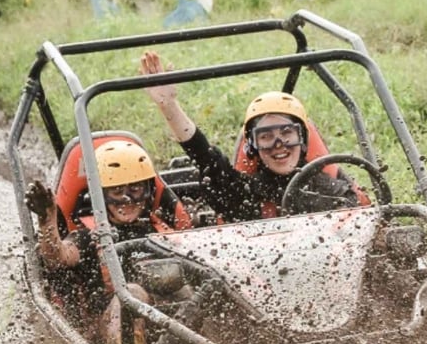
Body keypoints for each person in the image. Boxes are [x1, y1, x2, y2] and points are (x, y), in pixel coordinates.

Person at [139, 50, 365, 221]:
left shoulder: (334, 192)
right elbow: (206, 159)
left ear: (303, 140)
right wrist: (169, 107)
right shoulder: (244, 194)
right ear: (252, 147)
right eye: (266, 137)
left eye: (287, 133)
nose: (279, 145)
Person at [24, 137, 191, 344]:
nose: (127, 199)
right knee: (132, 293)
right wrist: (48, 222)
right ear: (101, 195)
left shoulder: (163, 229)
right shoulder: (89, 236)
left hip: (172, 323)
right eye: (117, 190)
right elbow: (57, 257)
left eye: (135, 189)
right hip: (110, 326)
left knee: (196, 290)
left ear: (149, 190)